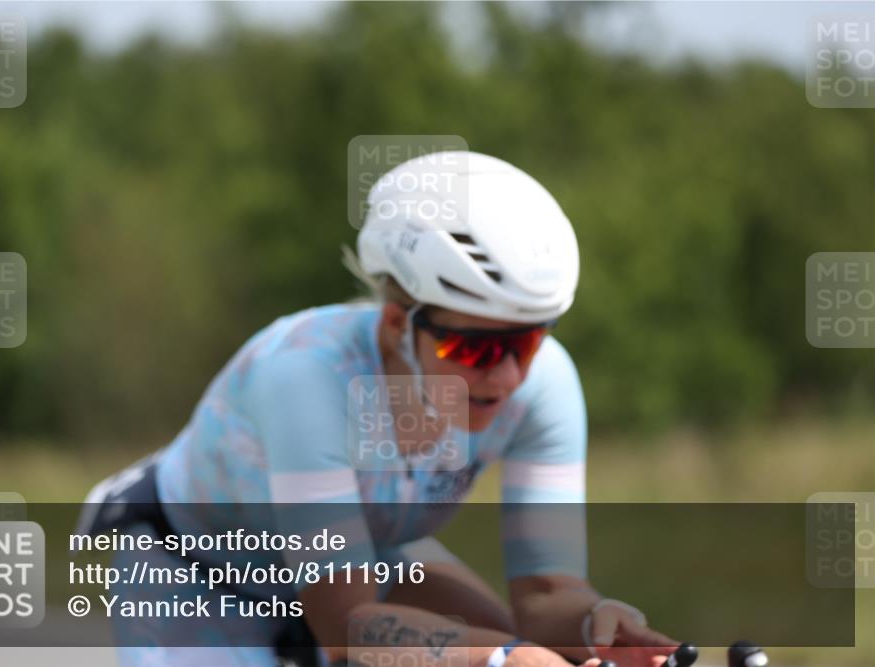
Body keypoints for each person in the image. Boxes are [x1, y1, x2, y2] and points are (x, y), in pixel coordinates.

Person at [81, 151, 678, 667]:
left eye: (528, 341)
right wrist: (497, 656)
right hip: (200, 572)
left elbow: (548, 592)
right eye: (477, 348)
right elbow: (346, 627)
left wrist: (594, 624)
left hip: (365, 557)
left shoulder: (544, 386)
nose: (507, 375)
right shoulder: (307, 377)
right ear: (399, 322)